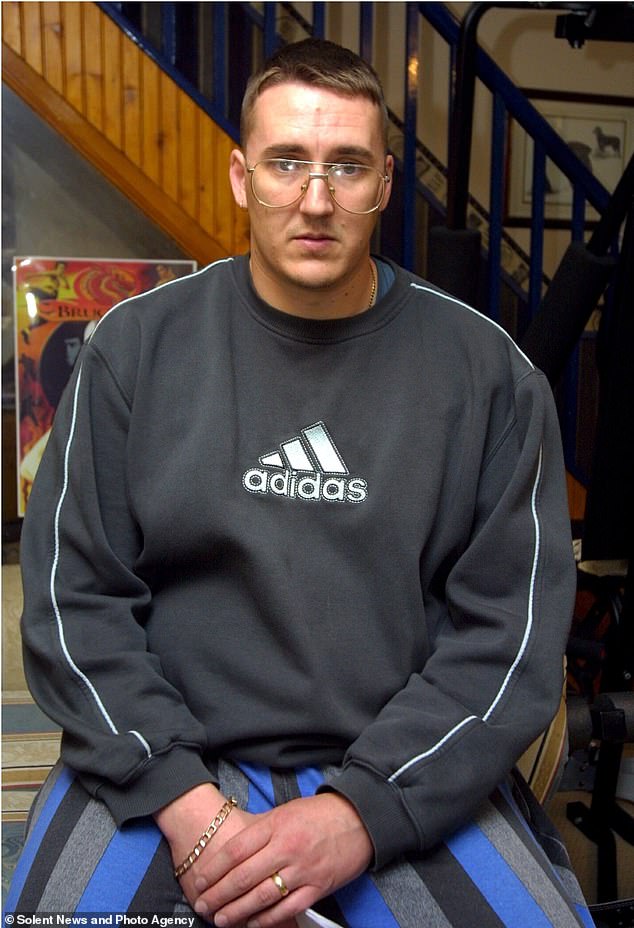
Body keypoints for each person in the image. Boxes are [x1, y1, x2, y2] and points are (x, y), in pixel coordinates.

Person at [7, 38, 592, 928]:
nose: (316, 200)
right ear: (242, 177)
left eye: (347, 166)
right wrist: (191, 809)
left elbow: (508, 642)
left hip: (395, 760)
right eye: (286, 162)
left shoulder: (489, 376)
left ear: (385, 181)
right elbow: (72, 604)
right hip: (167, 759)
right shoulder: (134, 348)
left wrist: (358, 816)